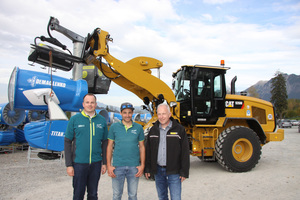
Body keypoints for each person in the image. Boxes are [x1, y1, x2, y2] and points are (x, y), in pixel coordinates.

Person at [64, 93, 108, 200]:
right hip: (79, 164)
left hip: (96, 163)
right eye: (87, 102)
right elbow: (67, 142)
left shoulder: (102, 121)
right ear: (83, 104)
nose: (90, 105)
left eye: (92, 102)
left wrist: (105, 163)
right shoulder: (75, 120)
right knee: (78, 194)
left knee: (93, 194)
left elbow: (105, 143)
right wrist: (69, 165)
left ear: (96, 104)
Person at [145, 103, 190, 200]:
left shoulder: (179, 130)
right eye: (159, 114)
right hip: (158, 171)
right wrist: (147, 168)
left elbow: (185, 152)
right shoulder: (153, 130)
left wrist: (184, 171)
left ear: (169, 114)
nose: (161, 117)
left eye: (164, 114)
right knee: (162, 197)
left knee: (176, 197)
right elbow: (148, 151)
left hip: (174, 171)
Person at [107, 102, 145, 200]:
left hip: (134, 167)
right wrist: (109, 165)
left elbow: (142, 147)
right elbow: (110, 146)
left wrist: (142, 165)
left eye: (129, 112)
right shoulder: (114, 127)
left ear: (132, 113)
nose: (127, 115)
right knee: (116, 195)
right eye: (125, 113)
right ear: (120, 113)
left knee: (132, 195)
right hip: (117, 166)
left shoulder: (138, 128)